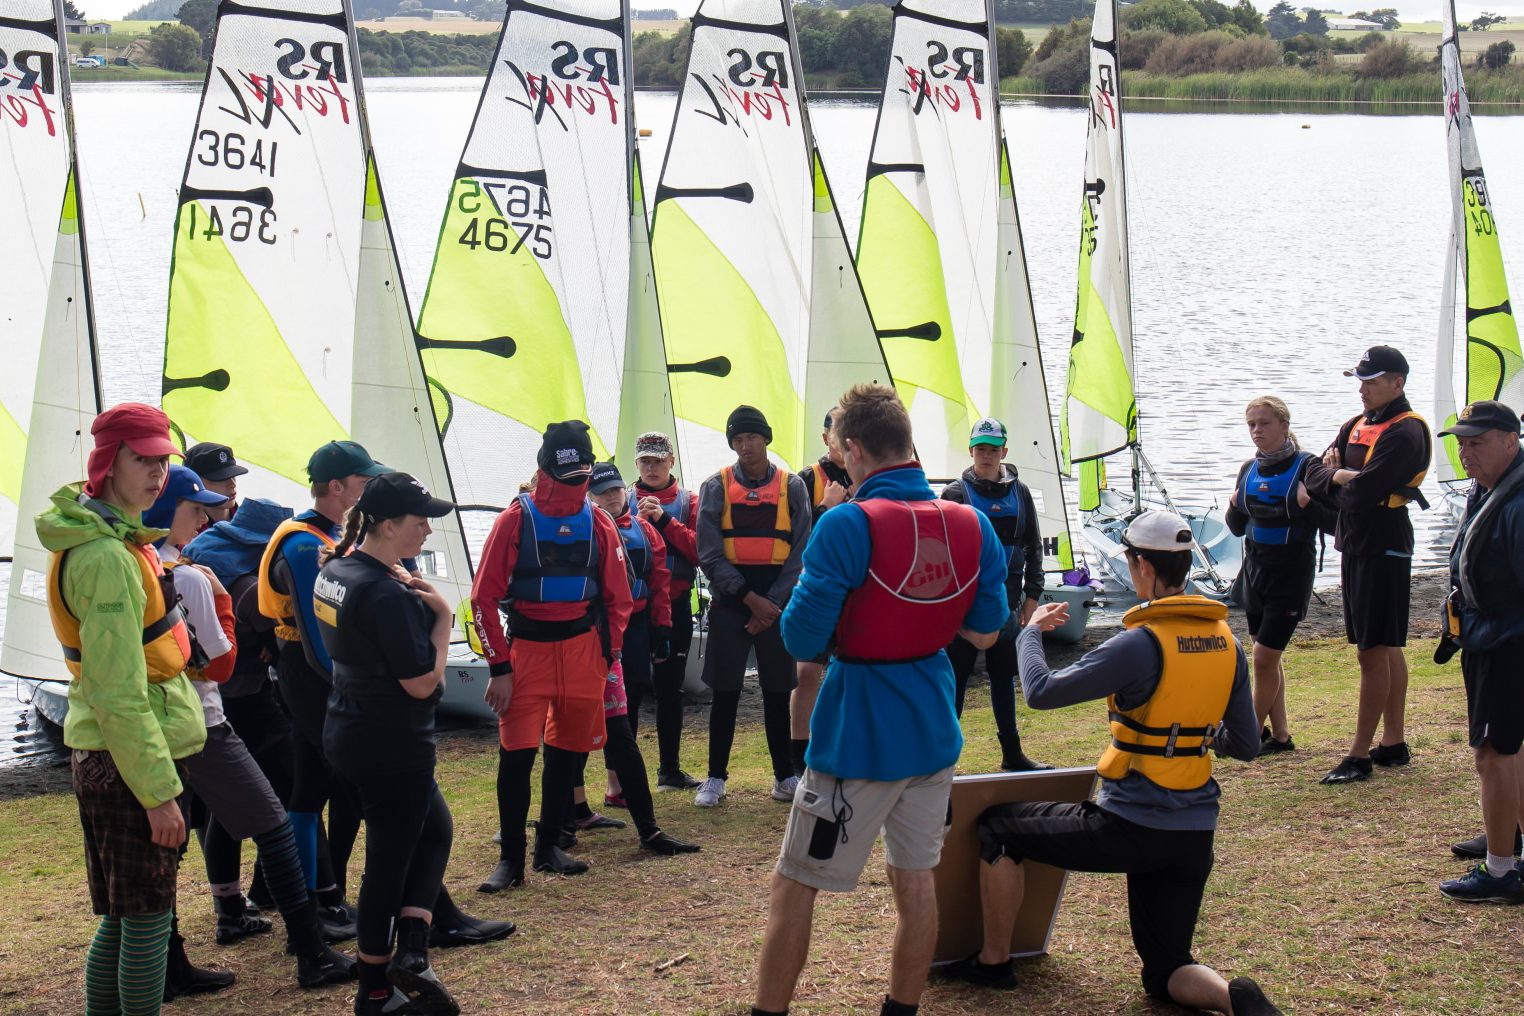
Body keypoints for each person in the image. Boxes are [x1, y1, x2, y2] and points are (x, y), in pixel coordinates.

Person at [946, 511, 1280, 1016]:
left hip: (1128, 826)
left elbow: (1040, 691)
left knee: (998, 827)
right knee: (1166, 971)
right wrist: (1199, 732)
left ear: (1143, 566)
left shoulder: (1139, 643)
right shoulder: (1227, 644)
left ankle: (993, 962)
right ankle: (1233, 999)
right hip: (1193, 836)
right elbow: (1248, 745)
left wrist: (1031, 632)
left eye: (1128, 560)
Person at [751, 383, 1009, 1016]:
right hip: (932, 726)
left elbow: (800, 637)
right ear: (910, 447)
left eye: (838, 447)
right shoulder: (971, 521)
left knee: (796, 886)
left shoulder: (847, 522)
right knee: (914, 879)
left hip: (855, 736)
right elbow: (985, 629)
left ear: (855, 450)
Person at [146, 467, 355, 992]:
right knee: (274, 822)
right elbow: (218, 658)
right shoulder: (188, 574)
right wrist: (221, 603)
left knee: (167, 844)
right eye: (196, 509)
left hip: (156, 722)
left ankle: (180, 954)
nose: (206, 519)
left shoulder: (138, 564)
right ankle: (310, 949)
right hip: (203, 718)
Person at [38, 403, 207, 1016]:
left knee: (123, 915)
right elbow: (117, 691)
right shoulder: (108, 558)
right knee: (146, 920)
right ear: (108, 462)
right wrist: (159, 793)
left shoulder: (108, 540)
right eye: (144, 459)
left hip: (109, 752)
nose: (158, 472)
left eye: (163, 459)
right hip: (128, 762)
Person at [314, 472, 479, 1016]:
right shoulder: (386, 593)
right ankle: (375, 988)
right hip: (390, 744)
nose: (428, 530)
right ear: (387, 525)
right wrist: (443, 619)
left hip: (350, 729)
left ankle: (412, 951)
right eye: (419, 521)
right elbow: (424, 683)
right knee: (387, 863)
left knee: (435, 831)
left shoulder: (337, 569)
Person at [471, 422, 634, 891]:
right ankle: (511, 860)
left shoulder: (599, 522)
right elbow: (483, 599)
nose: (574, 486)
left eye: (581, 475)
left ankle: (549, 847)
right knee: (516, 757)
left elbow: (619, 599)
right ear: (544, 470)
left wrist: (607, 655)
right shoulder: (513, 520)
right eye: (566, 476)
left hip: (584, 652)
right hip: (527, 654)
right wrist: (499, 667)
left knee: (567, 757)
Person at [258, 440, 387, 930]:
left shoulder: (325, 534)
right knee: (334, 788)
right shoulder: (304, 543)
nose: (370, 488)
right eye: (363, 482)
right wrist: (348, 688)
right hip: (310, 677)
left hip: (305, 675)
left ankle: (320, 895)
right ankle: (322, 898)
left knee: (311, 789)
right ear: (336, 487)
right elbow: (317, 638)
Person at [1302, 346, 1433, 785]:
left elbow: (1361, 496)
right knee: (1383, 645)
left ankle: (1359, 754)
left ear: (1397, 383)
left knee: (1373, 649)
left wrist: (1338, 482)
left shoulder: (1405, 432)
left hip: (1385, 542)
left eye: (1371, 381)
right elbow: (1312, 475)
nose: (1361, 389)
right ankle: (1392, 743)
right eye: (1360, 380)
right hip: (1356, 541)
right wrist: (1338, 476)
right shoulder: (1356, 425)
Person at [566, 463, 700, 858]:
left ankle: (616, 789)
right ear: (590, 496)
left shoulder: (644, 529)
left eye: (614, 491)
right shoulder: (586, 528)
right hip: (594, 630)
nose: (610, 497)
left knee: (630, 707)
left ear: (626, 490)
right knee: (579, 719)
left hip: (636, 625)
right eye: (601, 492)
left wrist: (663, 626)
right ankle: (572, 807)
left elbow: (659, 582)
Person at [183, 496, 296, 918]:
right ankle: (271, 900)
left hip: (221, 700)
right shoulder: (246, 585)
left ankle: (230, 903)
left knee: (222, 809)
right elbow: (275, 639)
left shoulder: (205, 561)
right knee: (282, 799)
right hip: (245, 701)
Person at [694, 405, 811, 808]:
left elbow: (800, 551)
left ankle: (784, 777)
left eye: (752, 438)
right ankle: (715, 778)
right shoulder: (716, 486)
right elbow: (709, 553)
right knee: (724, 692)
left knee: (777, 691)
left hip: (776, 599)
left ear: (766, 439)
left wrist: (772, 604)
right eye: (738, 440)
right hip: (732, 599)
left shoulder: (792, 486)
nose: (746, 446)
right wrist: (749, 600)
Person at [1434, 402, 1524, 903]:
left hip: (1506, 642)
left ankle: (1500, 870)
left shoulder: (1518, 501)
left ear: (1510, 440)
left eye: (1477, 442)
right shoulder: (1492, 488)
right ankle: (1507, 840)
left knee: (1492, 753)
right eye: (1462, 443)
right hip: (1489, 636)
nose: (1466, 452)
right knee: (1510, 750)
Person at [1224, 397, 1337, 756]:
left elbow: (1336, 524)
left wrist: (1307, 504)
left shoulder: (1307, 466)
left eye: (1265, 424)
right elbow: (1237, 527)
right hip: (1256, 572)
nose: (1257, 431)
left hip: (1291, 573)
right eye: (1252, 425)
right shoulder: (1248, 469)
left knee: (1262, 657)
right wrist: (1232, 503)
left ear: (1284, 426)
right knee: (1266, 657)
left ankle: (1249, 735)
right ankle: (1282, 735)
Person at [939, 417, 1050, 772]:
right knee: (954, 682)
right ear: (971, 451)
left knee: (1003, 679)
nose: (986, 456)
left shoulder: (1021, 493)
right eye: (980, 449)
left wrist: (1032, 596)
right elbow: (940, 554)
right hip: (965, 608)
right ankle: (945, 760)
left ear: (1004, 452)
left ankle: (1012, 755)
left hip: (1008, 604)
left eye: (992, 450)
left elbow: (1033, 547)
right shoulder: (955, 494)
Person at [631, 431, 703, 791]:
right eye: (645, 461)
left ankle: (669, 770)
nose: (652, 467)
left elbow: (701, 551)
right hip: (631, 610)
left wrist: (663, 521)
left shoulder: (689, 500)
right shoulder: (620, 498)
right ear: (636, 464)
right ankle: (623, 778)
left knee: (669, 689)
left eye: (658, 460)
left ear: (671, 462)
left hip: (674, 605)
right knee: (627, 691)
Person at [789, 408, 852, 777]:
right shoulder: (805, 479)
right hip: (815, 589)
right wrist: (824, 507)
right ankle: (799, 758)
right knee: (807, 673)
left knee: (852, 671)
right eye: (837, 432)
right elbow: (795, 540)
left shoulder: (869, 474)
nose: (843, 440)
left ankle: (843, 748)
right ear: (825, 436)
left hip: (854, 590)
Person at [184, 442, 247, 524]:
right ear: (195, 483)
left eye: (233, 475)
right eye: (221, 479)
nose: (232, 484)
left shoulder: (249, 520)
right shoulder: (188, 532)